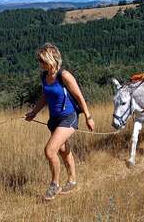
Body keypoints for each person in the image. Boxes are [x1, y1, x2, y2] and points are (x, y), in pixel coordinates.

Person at [25, 43, 95, 200]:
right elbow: (45, 96)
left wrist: (88, 117)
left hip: (69, 118)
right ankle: (72, 181)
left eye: (42, 61)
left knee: (50, 151)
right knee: (63, 151)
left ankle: (54, 185)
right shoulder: (44, 76)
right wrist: (34, 112)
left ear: (51, 59)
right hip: (54, 120)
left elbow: (79, 97)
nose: (40, 64)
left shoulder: (64, 76)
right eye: (40, 61)